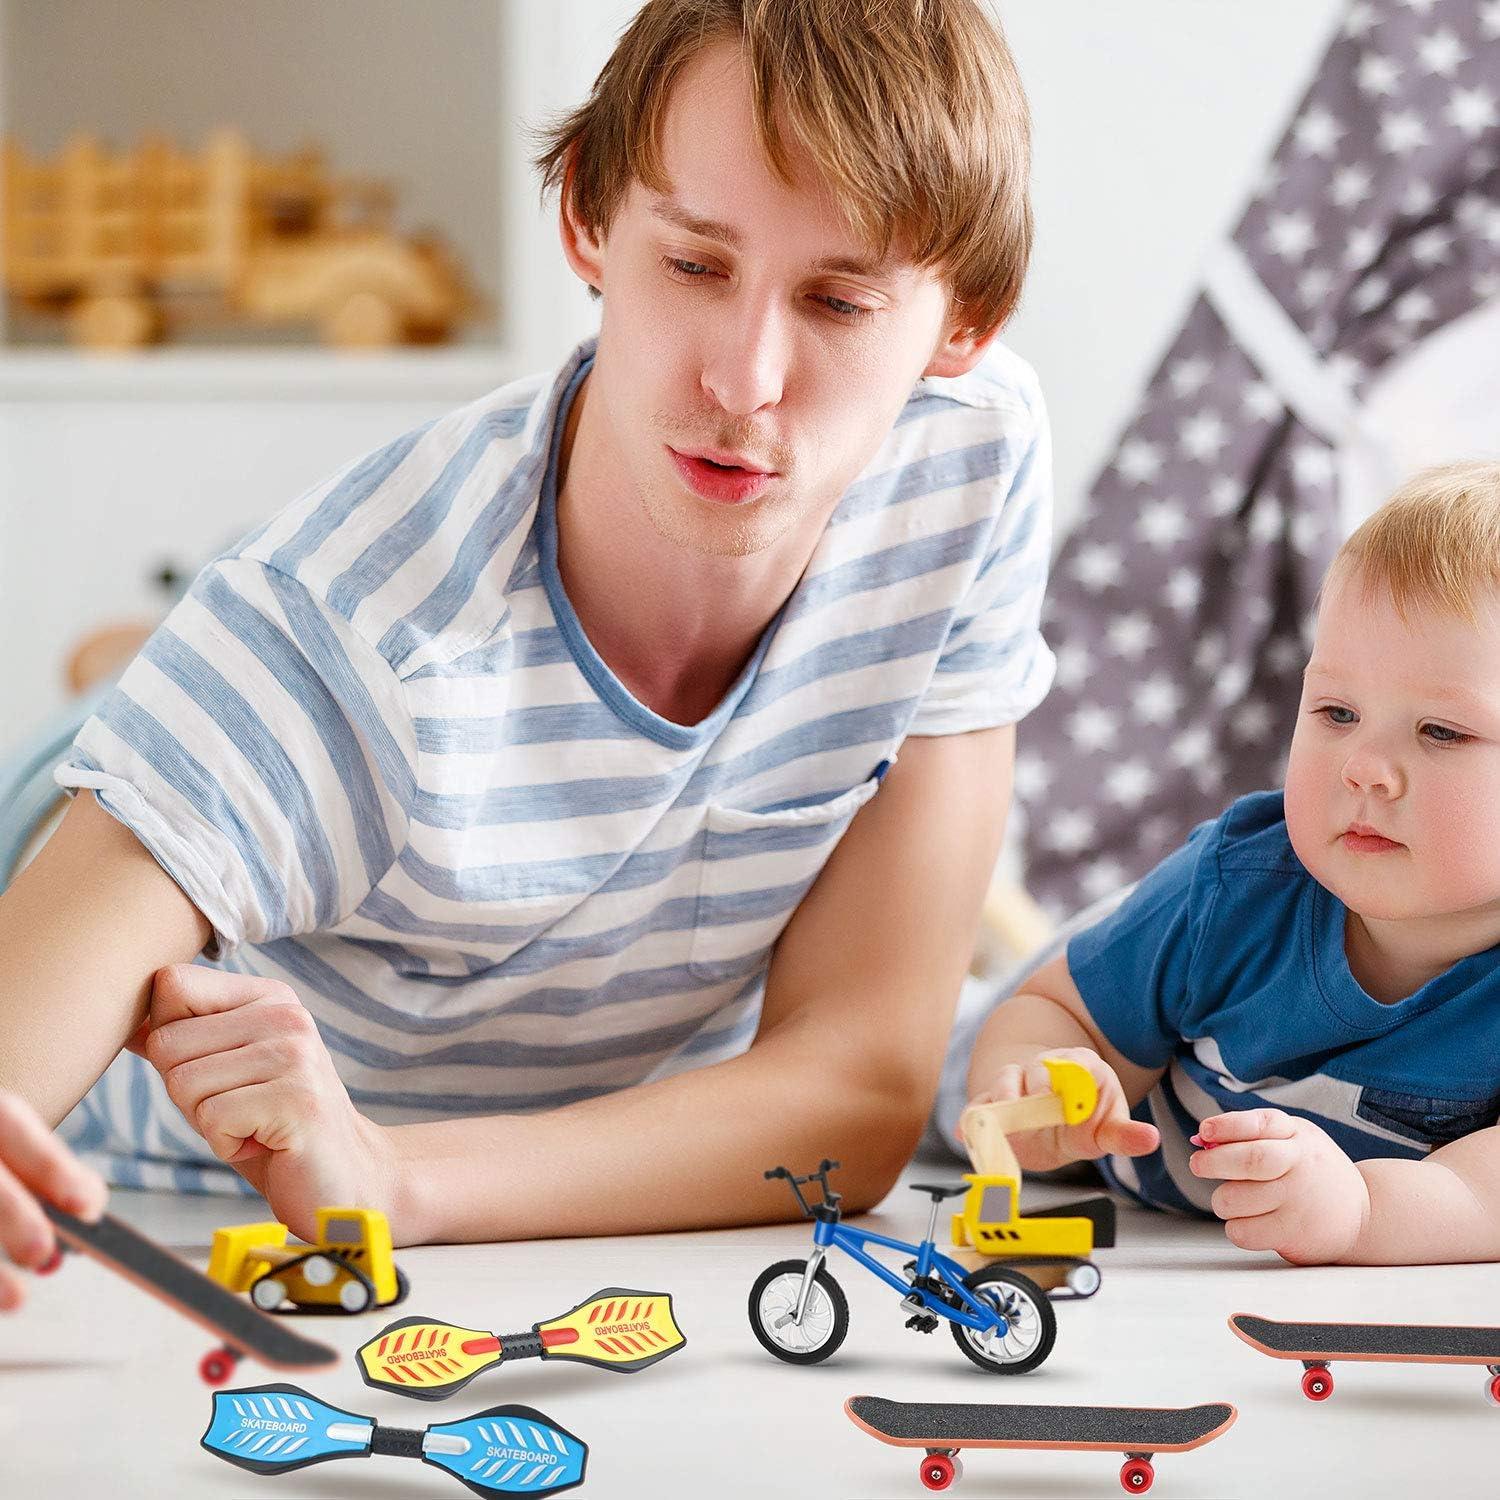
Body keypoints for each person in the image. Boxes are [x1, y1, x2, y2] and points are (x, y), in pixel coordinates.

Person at [0, 0, 1053, 1258]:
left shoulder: (972, 461)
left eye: (839, 303)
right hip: (121, 865)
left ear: (963, 328)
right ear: (589, 227)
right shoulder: (336, 630)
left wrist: (399, 1181)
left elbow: (855, 1100)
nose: (744, 381)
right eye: (694, 265)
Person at [963, 461, 1500, 1266]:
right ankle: (985, 934)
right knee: (911, 1077)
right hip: (1122, 1027)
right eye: (1337, 712)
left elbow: (1483, 1194)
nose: (1364, 767)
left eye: (1442, 732)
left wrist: (1360, 1212)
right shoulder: (1238, 887)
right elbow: (1057, 1013)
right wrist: (1037, 1087)